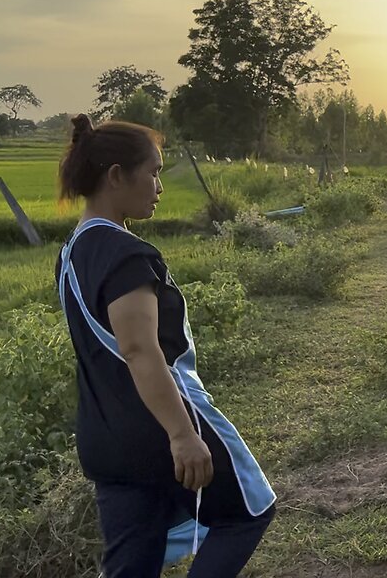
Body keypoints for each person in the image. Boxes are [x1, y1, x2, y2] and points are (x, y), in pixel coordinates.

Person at [55, 114, 275, 577]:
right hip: (160, 427)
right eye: (153, 172)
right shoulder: (127, 255)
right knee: (247, 512)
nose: (159, 185)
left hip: (104, 439)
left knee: (132, 564)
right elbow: (140, 351)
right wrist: (181, 435)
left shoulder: (73, 252)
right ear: (116, 176)